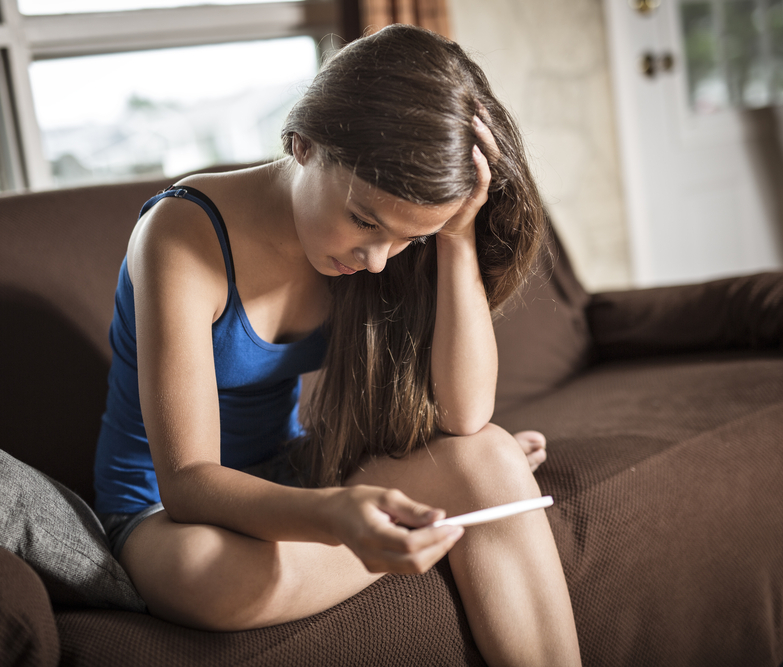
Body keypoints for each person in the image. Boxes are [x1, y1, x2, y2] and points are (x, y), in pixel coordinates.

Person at [93, 23, 582, 667]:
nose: (378, 262)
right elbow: (187, 484)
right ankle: (446, 511)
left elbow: (463, 416)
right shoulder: (181, 237)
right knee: (207, 573)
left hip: (295, 468)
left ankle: (450, 507)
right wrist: (337, 517)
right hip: (165, 512)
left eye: (410, 238)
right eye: (365, 222)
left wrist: (457, 237)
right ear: (303, 143)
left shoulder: (380, 250)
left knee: (487, 453)